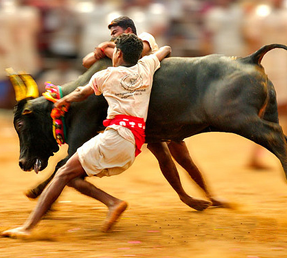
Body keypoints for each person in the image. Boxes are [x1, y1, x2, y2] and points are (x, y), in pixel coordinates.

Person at [2, 33, 171, 239]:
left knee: (63, 173)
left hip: (114, 137)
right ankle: (112, 203)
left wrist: (62, 101)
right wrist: (150, 54)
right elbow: (166, 49)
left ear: (117, 54)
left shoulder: (105, 75)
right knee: (70, 176)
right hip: (133, 144)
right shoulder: (147, 67)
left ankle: (27, 227)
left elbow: (82, 93)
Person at [82, 16, 226, 209]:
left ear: (128, 31)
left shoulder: (144, 38)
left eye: (115, 33)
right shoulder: (119, 51)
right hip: (144, 113)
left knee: (182, 157)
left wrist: (104, 48)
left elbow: (138, 54)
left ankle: (209, 196)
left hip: (164, 109)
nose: (112, 37)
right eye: (111, 34)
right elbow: (86, 62)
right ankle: (186, 196)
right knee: (164, 155)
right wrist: (106, 48)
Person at [244, 0, 287, 169]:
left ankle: (258, 155)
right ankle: (257, 155)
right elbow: (252, 39)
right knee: (267, 110)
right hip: (268, 64)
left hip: (283, 63)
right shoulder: (259, 13)